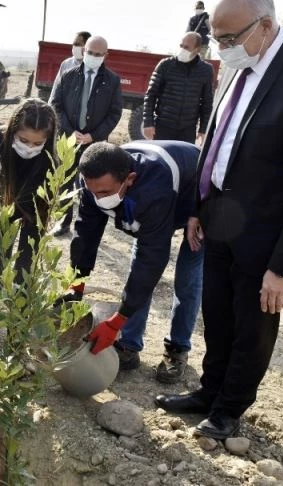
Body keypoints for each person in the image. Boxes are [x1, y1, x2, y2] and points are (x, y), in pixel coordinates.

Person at [155, 0, 283, 440]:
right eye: (217, 39)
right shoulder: (240, 65)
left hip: (267, 230)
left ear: (264, 26)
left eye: (229, 39)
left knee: (252, 323)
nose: (221, 48)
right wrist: (200, 206)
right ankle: (209, 392)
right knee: (217, 313)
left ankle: (229, 408)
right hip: (221, 214)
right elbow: (218, 140)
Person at [66, 141, 202, 383]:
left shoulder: (154, 189)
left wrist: (116, 320)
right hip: (154, 204)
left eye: (105, 193)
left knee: (186, 279)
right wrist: (76, 284)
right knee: (136, 275)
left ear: (129, 179)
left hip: (199, 195)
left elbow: (152, 259)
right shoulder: (93, 181)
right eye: (93, 192)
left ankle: (178, 348)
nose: (98, 198)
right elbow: (85, 233)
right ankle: (128, 344)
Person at [0, 99, 58, 337]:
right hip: (7, 199)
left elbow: (29, 198)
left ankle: (17, 326)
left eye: (37, 143)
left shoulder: (50, 156)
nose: (29, 147)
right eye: (23, 140)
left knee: (24, 267)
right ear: (13, 130)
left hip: (37, 207)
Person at [51, 35, 123, 237]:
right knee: (65, 182)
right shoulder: (68, 75)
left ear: (105, 55)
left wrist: (94, 135)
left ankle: (86, 225)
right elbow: (56, 105)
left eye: (98, 54)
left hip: (94, 144)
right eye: (90, 52)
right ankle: (63, 222)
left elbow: (115, 113)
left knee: (93, 184)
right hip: (69, 140)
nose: (93, 57)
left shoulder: (112, 81)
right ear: (84, 52)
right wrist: (69, 131)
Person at [143, 32, 214, 144]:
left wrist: (203, 129)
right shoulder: (166, 65)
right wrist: (148, 123)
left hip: (187, 130)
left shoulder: (206, 70)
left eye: (186, 47)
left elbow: (207, 102)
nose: (182, 49)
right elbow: (151, 95)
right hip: (163, 127)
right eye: (181, 46)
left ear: (197, 49)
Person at [49, 31, 91, 100]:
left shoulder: (93, 66)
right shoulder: (66, 64)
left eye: (77, 44)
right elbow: (56, 88)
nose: (74, 47)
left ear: (87, 46)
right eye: (73, 44)